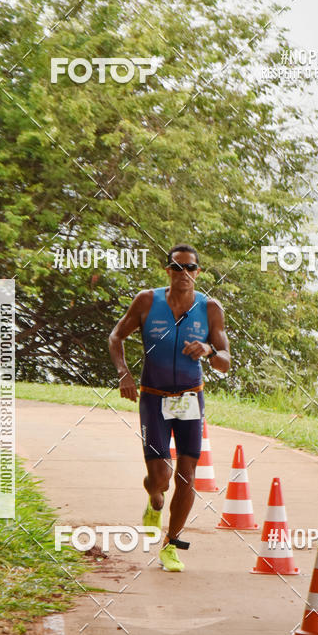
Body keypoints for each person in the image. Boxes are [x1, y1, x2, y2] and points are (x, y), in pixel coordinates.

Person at [109, 244, 230, 571]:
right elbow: (116, 336)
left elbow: (225, 362)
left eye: (190, 268)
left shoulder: (210, 308)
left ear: (198, 272)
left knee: (187, 477)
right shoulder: (148, 301)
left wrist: (207, 349)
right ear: (168, 271)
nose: (184, 274)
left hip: (189, 398)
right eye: (178, 268)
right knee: (160, 479)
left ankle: (171, 543)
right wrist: (124, 373)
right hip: (153, 395)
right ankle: (154, 502)